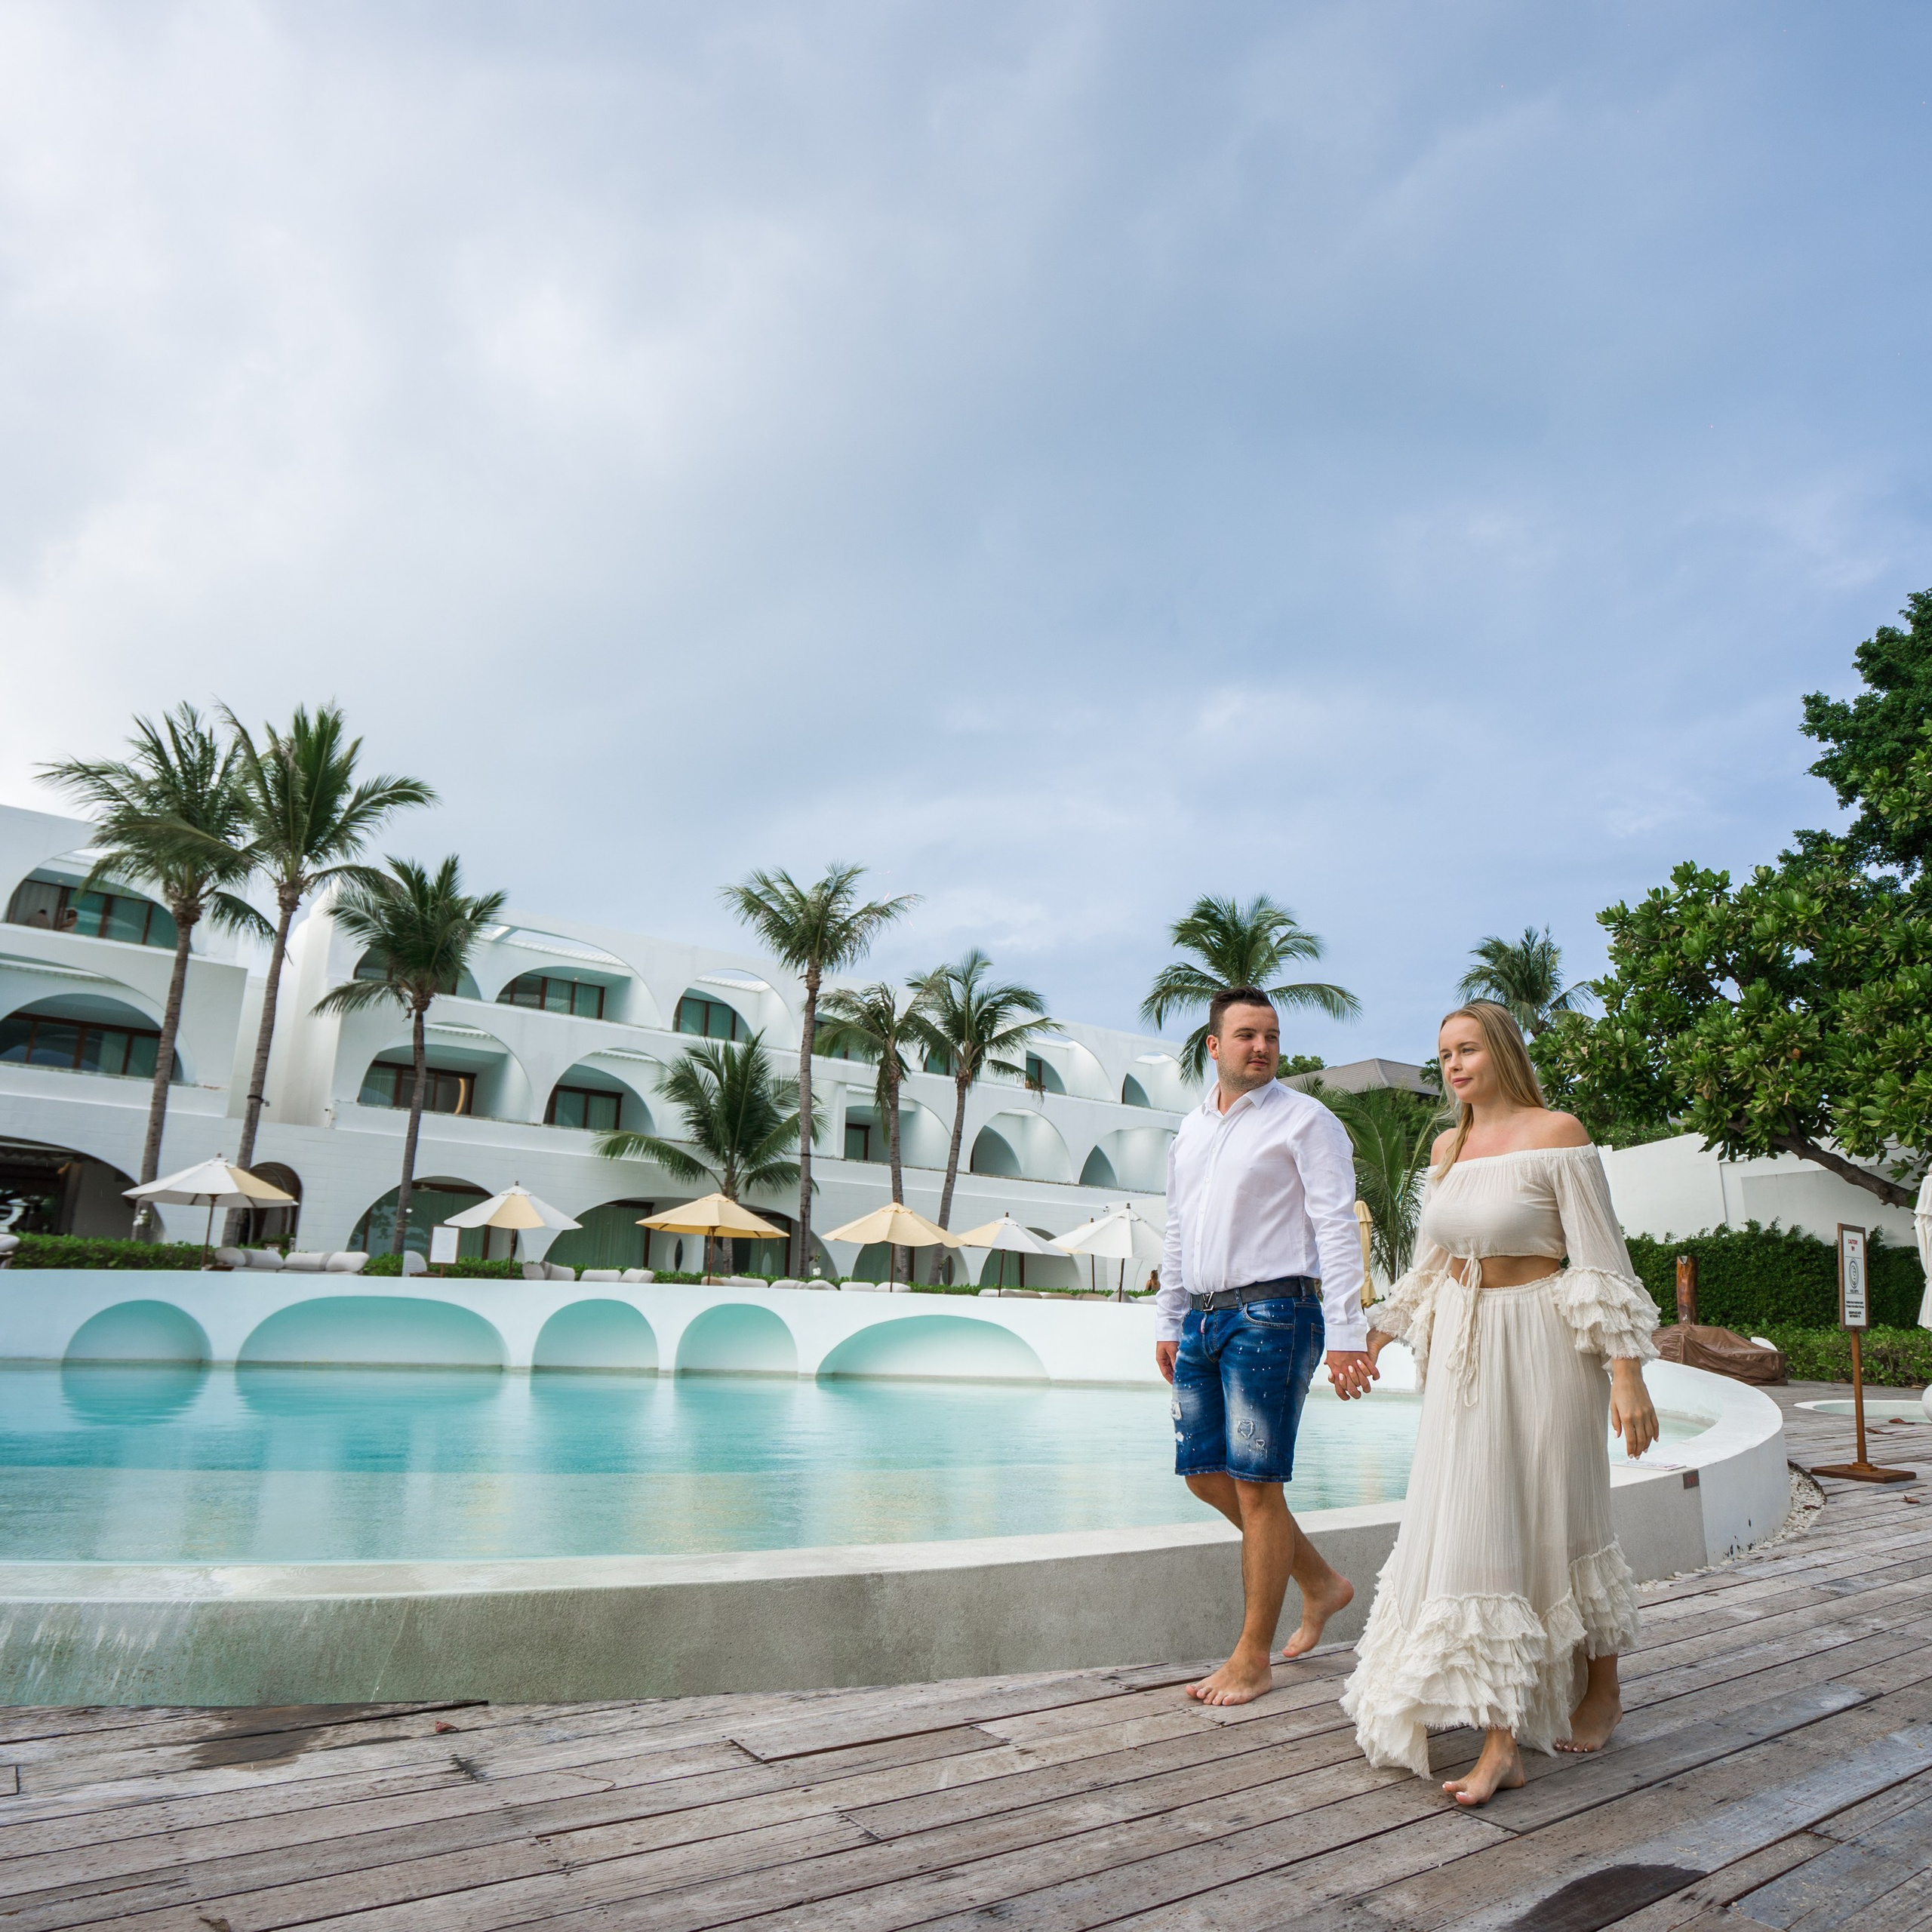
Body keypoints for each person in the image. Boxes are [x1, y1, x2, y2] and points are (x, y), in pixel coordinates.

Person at [1340, 1002, 1660, 1806]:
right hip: (1463, 1349)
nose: (1452, 1064)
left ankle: (1599, 1689)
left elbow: (1600, 1260)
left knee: (1563, 1514)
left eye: (1466, 1048)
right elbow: (1432, 1261)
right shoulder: (1447, 1148)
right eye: (1442, 1052)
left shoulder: (1557, 1132)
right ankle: (1500, 1731)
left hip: (1546, 1343)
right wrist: (1380, 1335)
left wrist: (1626, 1373)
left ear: (1502, 1052)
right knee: (1480, 1526)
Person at [1155, 986, 1376, 1707]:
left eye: (1271, 1036)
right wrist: (1170, 1318)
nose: (1261, 1046)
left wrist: (1347, 1333)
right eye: (1246, 1034)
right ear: (1213, 1046)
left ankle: (1253, 1657)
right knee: (1203, 1474)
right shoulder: (1190, 1131)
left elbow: (1337, 1228)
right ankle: (1320, 1582)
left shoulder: (1306, 1121)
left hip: (1277, 1311)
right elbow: (1179, 1230)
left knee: (1257, 1486)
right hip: (1204, 1316)